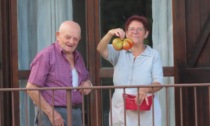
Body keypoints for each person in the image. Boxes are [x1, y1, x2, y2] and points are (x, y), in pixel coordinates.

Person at [97, 15, 163, 126]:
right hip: (120, 107)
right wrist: (110, 33)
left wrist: (146, 89)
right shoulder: (119, 51)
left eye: (140, 29)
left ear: (146, 34)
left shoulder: (153, 55)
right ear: (126, 33)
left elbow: (159, 83)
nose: (135, 32)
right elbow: (100, 48)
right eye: (131, 29)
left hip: (144, 105)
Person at [26, 21, 92, 126]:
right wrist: (51, 113)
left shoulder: (78, 57)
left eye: (75, 39)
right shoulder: (46, 55)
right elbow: (31, 88)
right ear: (58, 35)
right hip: (51, 114)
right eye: (68, 37)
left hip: (75, 113)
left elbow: (86, 78)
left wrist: (88, 85)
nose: (71, 41)